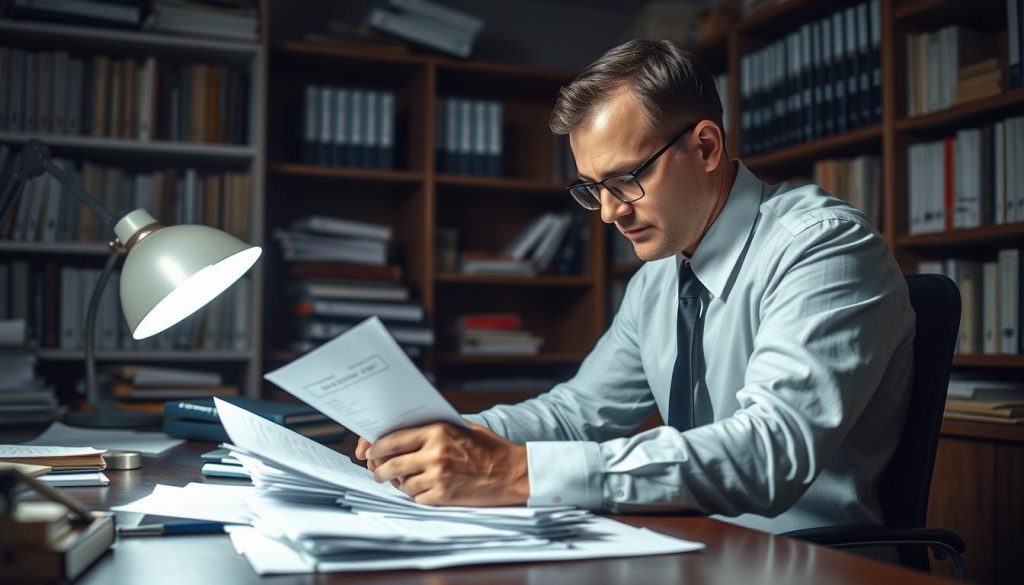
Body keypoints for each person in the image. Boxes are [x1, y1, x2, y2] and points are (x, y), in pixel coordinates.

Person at [356, 39, 914, 534]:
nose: (608, 213)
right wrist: (455, 433)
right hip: (685, 544)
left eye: (626, 179)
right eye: (593, 188)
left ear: (706, 147)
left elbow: (769, 452)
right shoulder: (658, 278)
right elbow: (578, 414)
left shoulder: (823, 247)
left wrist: (516, 470)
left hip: (808, 561)